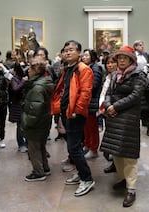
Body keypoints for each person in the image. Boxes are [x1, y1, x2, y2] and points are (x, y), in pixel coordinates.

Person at [100, 45, 147, 208]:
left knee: (129, 155)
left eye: (124, 58)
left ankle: (131, 189)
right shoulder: (114, 75)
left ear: (131, 60)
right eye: (119, 57)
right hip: (114, 117)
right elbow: (108, 94)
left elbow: (135, 96)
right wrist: (107, 106)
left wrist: (115, 107)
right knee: (116, 152)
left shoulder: (138, 75)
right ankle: (123, 179)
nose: (120, 60)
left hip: (128, 118)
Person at [51, 40, 95, 197]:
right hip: (67, 111)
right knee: (75, 147)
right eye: (65, 50)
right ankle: (80, 172)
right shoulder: (68, 68)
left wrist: (77, 110)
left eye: (71, 50)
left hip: (75, 114)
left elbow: (85, 93)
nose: (67, 52)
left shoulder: (84, 69)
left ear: (79, 53)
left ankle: (87, 178)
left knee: (73, 148)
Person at [21, 56, 53, 181]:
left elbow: (35, 109)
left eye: (30, 68)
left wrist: (26, 122)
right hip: (44, 121)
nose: (28, 71)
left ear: (36, 70)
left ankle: (38, 172)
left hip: (36, 123)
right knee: (41, 146)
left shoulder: (37, 87)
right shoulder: (43, 82)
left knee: (33, 149)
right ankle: (45, 168)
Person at [99, 54, 117, 173]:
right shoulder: (107, 76)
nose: (110, 65)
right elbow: (104, 92)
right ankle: (114, 164)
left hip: (114, 110)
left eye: (112, 62)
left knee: (115, 140)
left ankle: (116, 165)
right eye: (107, 63)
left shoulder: (119, 76)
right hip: (106, 110)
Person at [9, 62, 28, 152]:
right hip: (18, 105)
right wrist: (23, 82)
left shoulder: (23, 78)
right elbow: (15, 89)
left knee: (26, 125)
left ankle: (27, 143)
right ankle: (21, 144)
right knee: (20, 125)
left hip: (25, 104)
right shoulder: (14, 79)